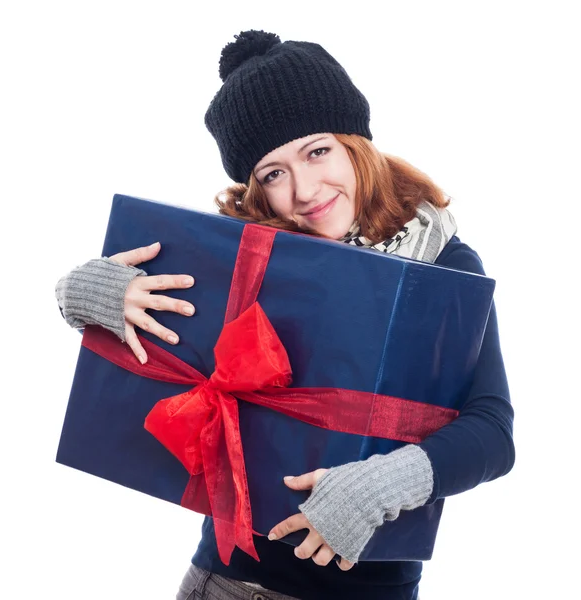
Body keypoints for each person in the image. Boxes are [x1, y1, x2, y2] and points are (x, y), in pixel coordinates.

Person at [55, 30, 515, 600]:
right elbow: (161, 350)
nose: (303, 189)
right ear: (256, 188)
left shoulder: (446, 264)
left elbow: (493, 433)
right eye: (273, 173)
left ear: (354, 142)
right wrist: (84, 292)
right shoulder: (250, 256)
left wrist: (377, 487)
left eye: (317, 151)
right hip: (232, 580)